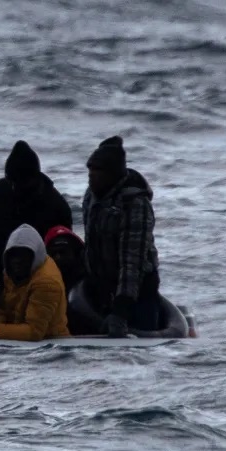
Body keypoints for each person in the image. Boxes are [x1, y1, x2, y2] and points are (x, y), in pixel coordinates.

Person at [81, 135, 163, 333]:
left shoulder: (134, 203)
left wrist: (121, 310)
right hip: (102, 288)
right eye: (90, 169)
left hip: (138, 292)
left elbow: (132, 262)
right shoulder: (91, 197)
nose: (91, 175)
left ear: (112, 174)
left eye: (98, 170)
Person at [0, 140, 73, 270]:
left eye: (21, 182)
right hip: (3, 275)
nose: (15, 188)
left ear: (35, 178)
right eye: (12, 182)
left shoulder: (56, 206)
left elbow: (61, 256)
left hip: (38, 278)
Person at [0, 224, 68, 341]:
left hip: (51, 344)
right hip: (16, 341)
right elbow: (3, 309)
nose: (17, 261)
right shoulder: (11, 272)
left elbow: (34, 332)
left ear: (34, 256)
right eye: (13, 255)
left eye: (23, 255)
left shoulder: (46, 283)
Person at [42, 225, 106, 334]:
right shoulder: (41, 285)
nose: (58, 258)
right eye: (54, 254)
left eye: (63, 252)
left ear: (78, 254)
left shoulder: (93, 284)